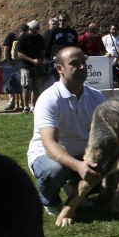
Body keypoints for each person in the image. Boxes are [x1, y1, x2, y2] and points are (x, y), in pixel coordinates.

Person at [27, 47, 105, 215]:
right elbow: (50, 144)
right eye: (75, 64)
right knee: (55, 171)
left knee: (109, 164)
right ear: (60, 69)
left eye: (83, 62)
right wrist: (78, 166)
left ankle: (74, 188)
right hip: (47, 155)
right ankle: (50, 200)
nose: (82, 67)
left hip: (82, 154)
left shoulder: (96, 96)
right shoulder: (49, 99)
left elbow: (101, 135)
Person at [16, 20, 47, 114]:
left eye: (37, 30)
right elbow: (19, 54)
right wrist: (32, 61)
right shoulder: (23, 38)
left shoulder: (40, 38)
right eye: (34, 30)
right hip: (26, 66)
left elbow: (42, 50)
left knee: (36, 87)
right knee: (26, 86)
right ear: (29, 29)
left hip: (37, 65)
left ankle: (34, 106)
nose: (36, 32)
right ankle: (26, 107)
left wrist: (42, 59)